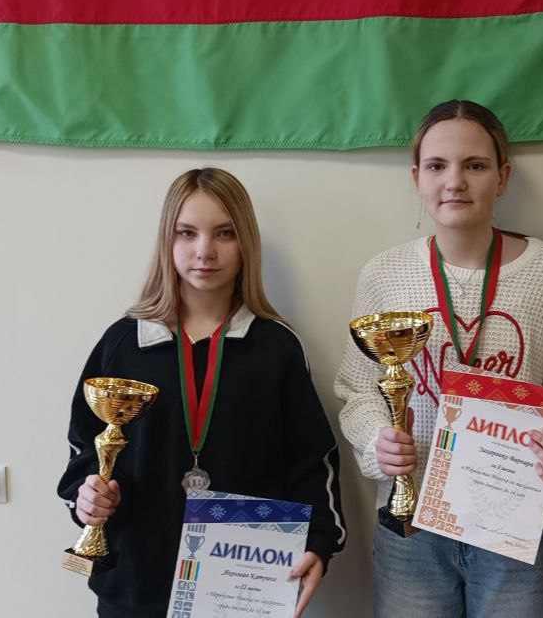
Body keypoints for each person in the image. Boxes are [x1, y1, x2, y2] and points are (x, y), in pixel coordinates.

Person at [334, 99, 543, 618]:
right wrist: (376, 441)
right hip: (412, 523)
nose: (455, 181)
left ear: (503, 177)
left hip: (517, 524)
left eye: (475, 165)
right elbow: (358, 388)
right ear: (417, 177)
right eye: (437, 165)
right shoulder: (384, 274)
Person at [58, 168, 346, 618]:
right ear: (167, 241)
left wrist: (318, 541)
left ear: (245, 241)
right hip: (136, 584)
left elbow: (312, 459)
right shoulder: (124, 343)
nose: (205, 251)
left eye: (224, 233)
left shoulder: (276, 347)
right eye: (187, 233)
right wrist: (87, 494)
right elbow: (86, 446)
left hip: (242, 586)